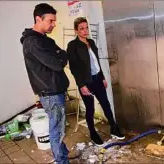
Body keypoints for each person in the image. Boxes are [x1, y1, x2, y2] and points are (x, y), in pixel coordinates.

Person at [20, 3, 70, 164]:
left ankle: (62, 155)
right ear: (38, 19)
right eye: (51, 21)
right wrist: (60, 57)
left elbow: (62, 54)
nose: (54, 24)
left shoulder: (43, 40)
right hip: (51, 94)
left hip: (54, 91)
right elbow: (57, 63)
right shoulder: (33, 42)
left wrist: (59, 56)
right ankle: (61, 161)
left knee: (58, 128)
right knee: (57, 130)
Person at [67, 17, 125, 146]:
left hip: (98, 78)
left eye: (86, 27)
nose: (85, 30)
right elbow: (74, 67)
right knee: (90, 109)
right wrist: (81, 85)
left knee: (106, 104)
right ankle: (93, 133)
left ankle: (114, 128)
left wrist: (103, 76)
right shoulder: (73, 45)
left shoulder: (91, 42)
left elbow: (96, 61)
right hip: (86, 82)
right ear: (76, 31)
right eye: (81, 28)